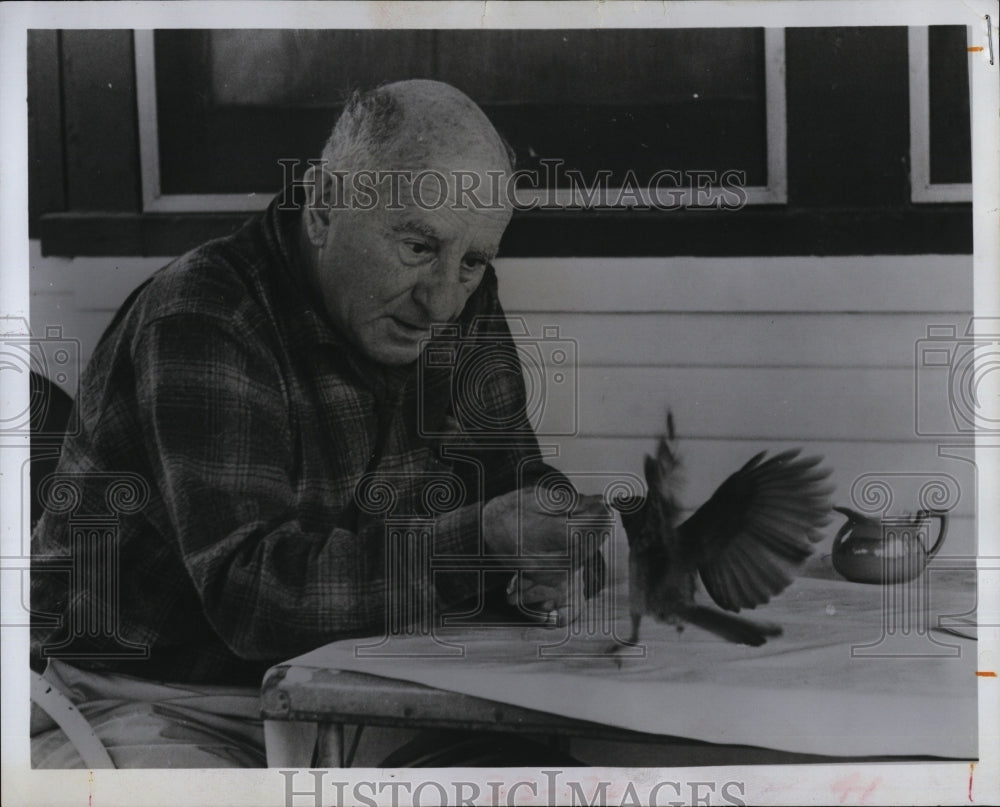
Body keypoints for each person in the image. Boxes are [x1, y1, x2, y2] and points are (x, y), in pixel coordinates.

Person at [30, 79, 605, 768]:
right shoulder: (204, 315)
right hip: (151, 697)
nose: (441, 300)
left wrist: (560, 557)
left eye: (473, 261)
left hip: (351, 683)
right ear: (325, 207)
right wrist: (481, 545)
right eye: (419, 247)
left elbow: (512, 479)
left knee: (559, 779)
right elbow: (254, 596)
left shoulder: (456, 299)